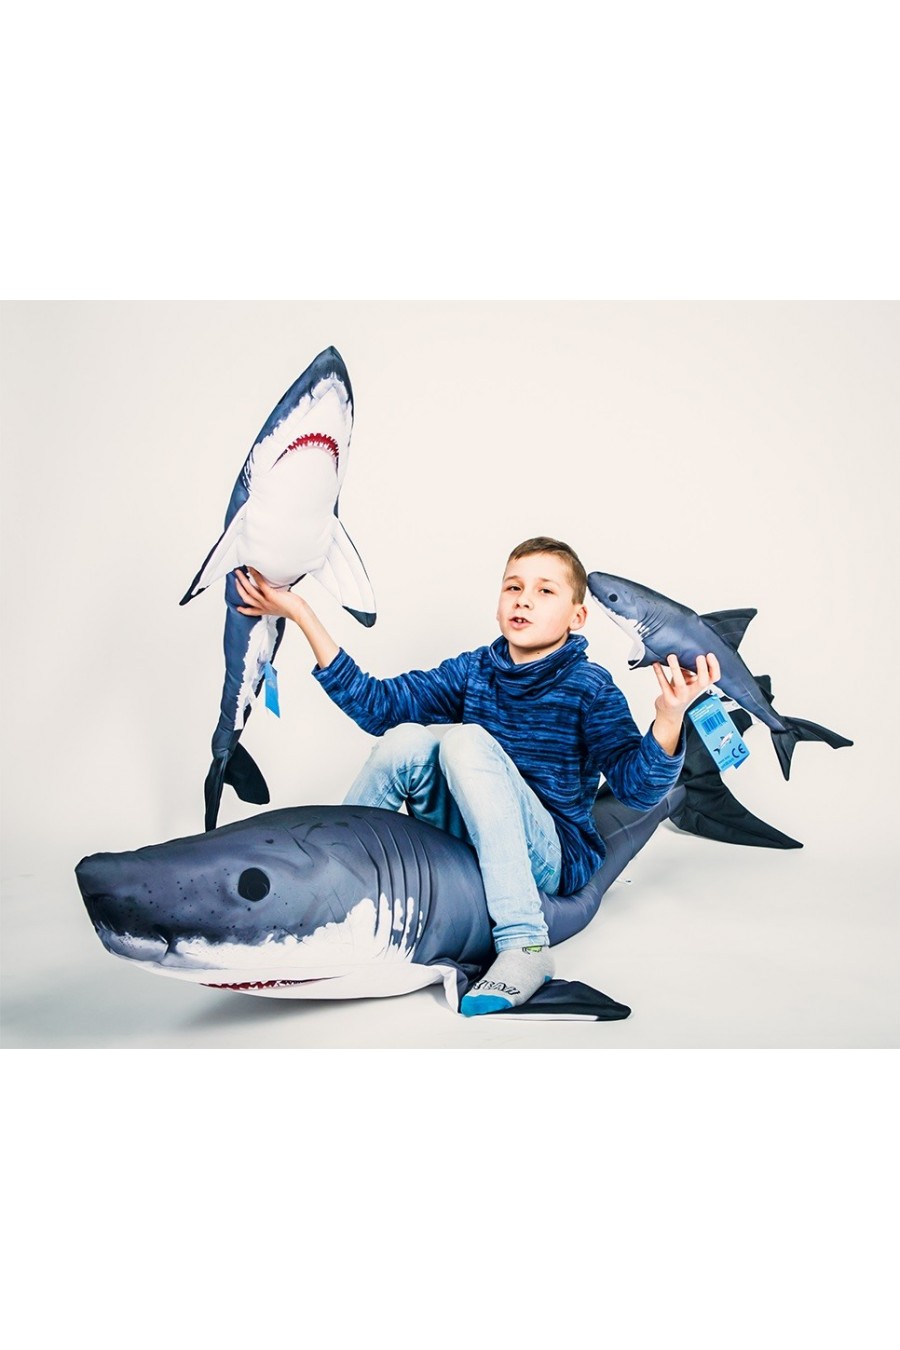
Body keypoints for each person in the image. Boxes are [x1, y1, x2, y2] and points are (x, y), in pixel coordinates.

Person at [234, 537, 720, 1015]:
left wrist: (669, 717)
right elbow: (378, 707)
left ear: (577, 617)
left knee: (465, 741)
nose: (524, 599)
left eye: (545, 590)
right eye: (513, 587)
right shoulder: (475, 670)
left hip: (552, 856)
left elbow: (638, 789)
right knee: (405, 740)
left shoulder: (589, 687)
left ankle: (525, 945)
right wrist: (300, 613)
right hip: (470, 832)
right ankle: (336, 885)